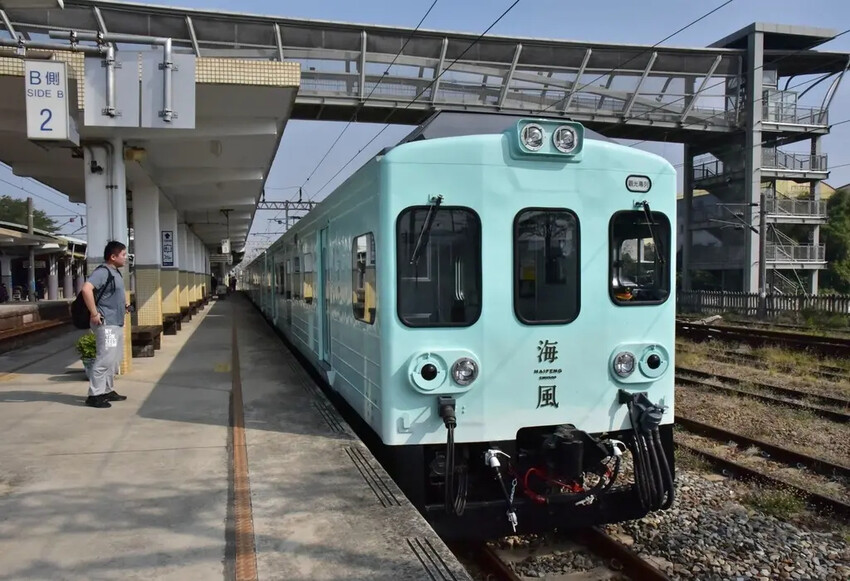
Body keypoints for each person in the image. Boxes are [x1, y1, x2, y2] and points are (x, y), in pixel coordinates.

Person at [80, 241, 131, 409]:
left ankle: (107, 390)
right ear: (113, 256)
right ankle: (94, 395)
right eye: (123, 255)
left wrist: (124, 306)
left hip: (116, 322)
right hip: (107, 324)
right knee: (104, 359)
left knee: (113, 360)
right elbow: (86, 289)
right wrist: (94, 313)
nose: (126, 258)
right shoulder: (102, 272)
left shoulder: (115, 272)